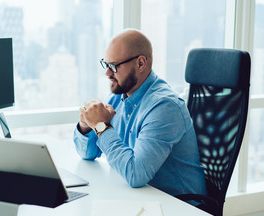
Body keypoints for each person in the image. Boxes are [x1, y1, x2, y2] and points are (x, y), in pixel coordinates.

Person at [73, 29, 206, 203]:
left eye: (114, 66)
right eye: (105, 65)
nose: (107, 73)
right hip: (141, 200)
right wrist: (86, 126)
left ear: (141, 64)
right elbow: (88, 154)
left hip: (179, 208)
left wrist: (101, 126)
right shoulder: (117, 96)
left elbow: (136, 174)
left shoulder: (164, 106)